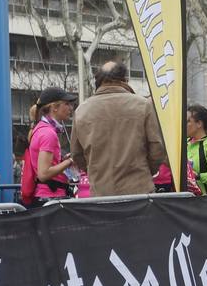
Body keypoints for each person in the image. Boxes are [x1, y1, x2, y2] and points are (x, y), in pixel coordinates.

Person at [71, 60, 167, 197]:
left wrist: (97, 172)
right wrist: (145, 170)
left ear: (97, 80)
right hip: (139, 190)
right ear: (125, 79)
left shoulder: (81, 111)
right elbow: (157, 148)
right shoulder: (143, 105)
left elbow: (76, 154)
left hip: (101, 192)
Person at [23, 87, 78, 205]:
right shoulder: (49, 133)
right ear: (54, 108)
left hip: (45, 196)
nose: (71, 108)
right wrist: (70, 161)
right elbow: (44, 174)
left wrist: (63, 161)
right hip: (50, 198)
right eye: (67, 104)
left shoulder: (40, 128)